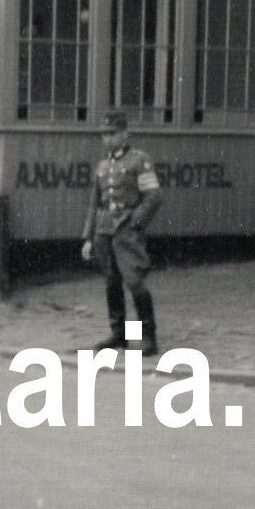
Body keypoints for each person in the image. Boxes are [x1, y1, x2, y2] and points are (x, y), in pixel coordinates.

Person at [80, 110, 163, 355]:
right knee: (111, 282)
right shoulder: (103, 165)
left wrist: (135, 222)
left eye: (113, 133)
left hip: (127, 232)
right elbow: (94, 203)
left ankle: (148, 336)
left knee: (134, 281)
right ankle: (120, 334)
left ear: (125, 134)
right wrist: (88, 238)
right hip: (104, 231)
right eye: (104, 134)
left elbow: (154, 197)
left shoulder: (139, 161)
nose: (108, 138)